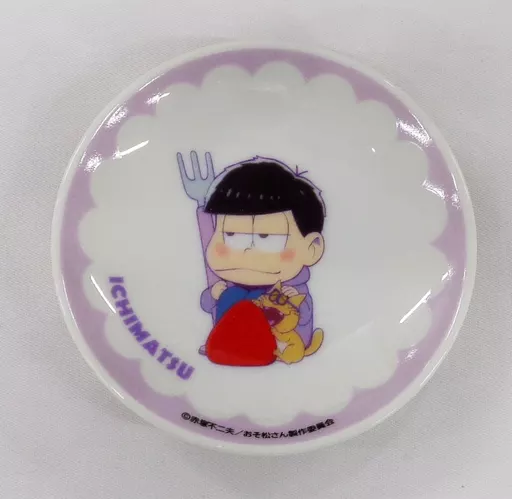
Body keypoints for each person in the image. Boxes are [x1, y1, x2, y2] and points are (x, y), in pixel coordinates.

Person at [198, 156, 326, 349]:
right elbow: (207, 305)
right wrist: (213, 295)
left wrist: (295, 303)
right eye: (231, 235)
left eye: (267, 238)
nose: (248, 251)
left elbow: (304, 316)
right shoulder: (228, 287)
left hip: (281, 349)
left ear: (311, 249)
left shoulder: (291, 289)